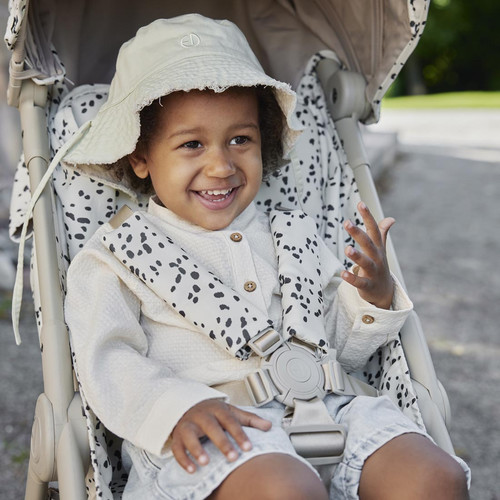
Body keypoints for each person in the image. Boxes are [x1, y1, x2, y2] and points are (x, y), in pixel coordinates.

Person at [64, 14, 470, 500]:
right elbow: (107, 361)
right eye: (192, 144)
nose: (221, 165)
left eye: (241, 139)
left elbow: (334, 348)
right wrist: (171, 409)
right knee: (285, 489)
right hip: (213, 428)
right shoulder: (116, 257)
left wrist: (370, 298)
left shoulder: (292, 231)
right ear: (141, 157)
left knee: (433, 477)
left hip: (332, 408)